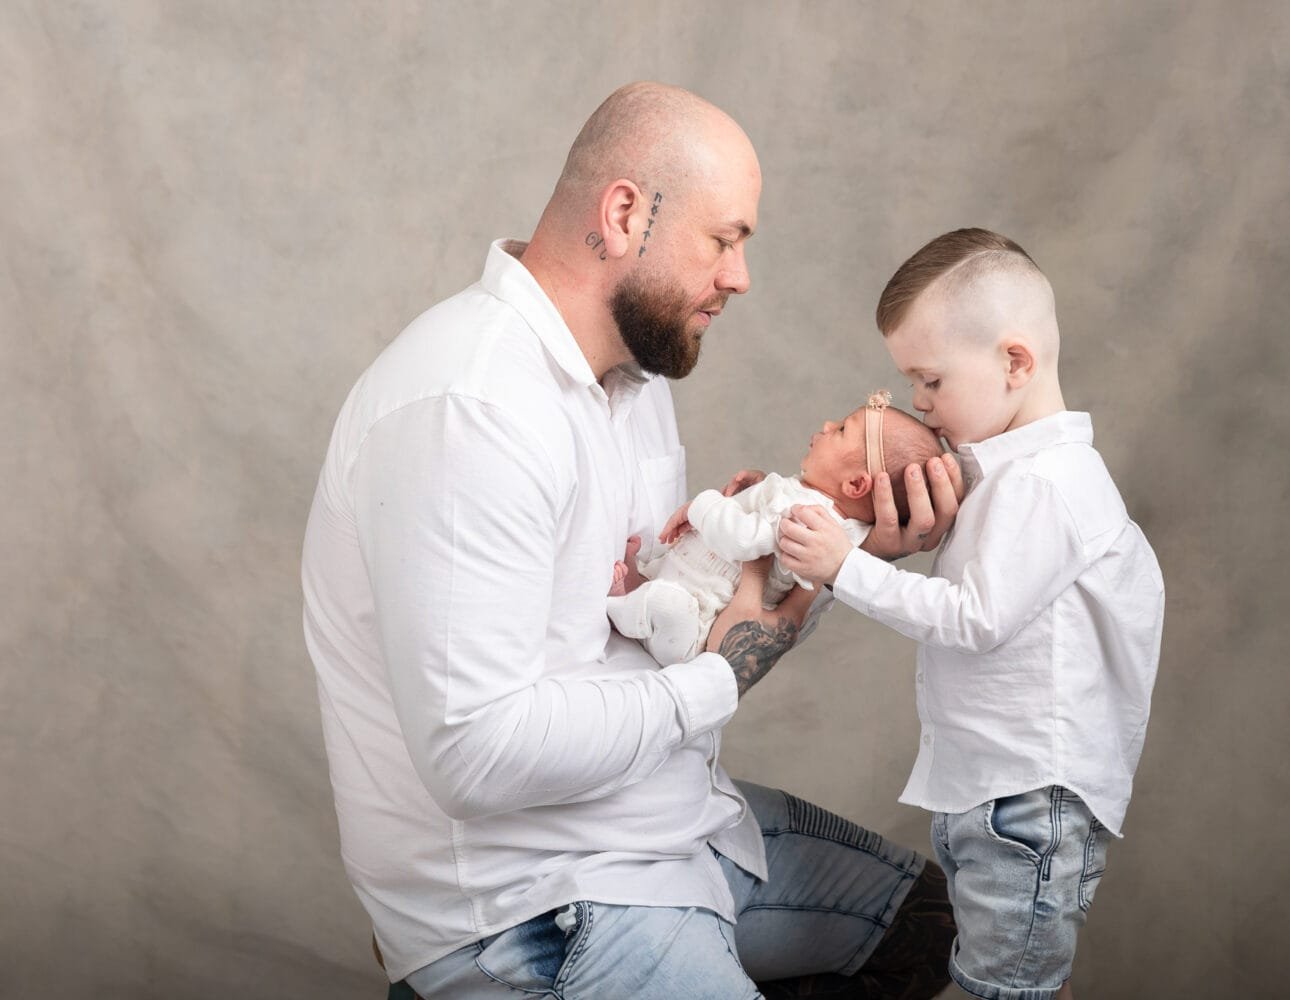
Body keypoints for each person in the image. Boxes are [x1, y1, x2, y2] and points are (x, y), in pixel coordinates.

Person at [300, 82, 963, 999]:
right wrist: (724, 676)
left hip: (668, 828)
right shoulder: (472, 410)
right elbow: (479, 754)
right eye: (724, 239)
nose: (740, 277)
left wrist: (848, 559)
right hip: (536, 904)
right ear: (622, 214)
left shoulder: (635, 381)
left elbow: (702, 625)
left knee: (939, 931)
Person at [780, 228, 1165, 999]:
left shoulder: (1049, 485)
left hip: (1028, 797)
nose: (920, 405)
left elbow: (974, 619)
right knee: (989, 981)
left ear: (1015, 362)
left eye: (929, 381)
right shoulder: (1005, 479)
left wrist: (843, 568)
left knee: (1002, 989)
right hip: (988, 790)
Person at [608, 394, 942, 665]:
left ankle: (618, 608)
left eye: (841, 430)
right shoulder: (838, 524)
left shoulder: (808, 519)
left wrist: (702, 505)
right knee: (660, 577)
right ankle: (637, 590)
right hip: (693, 586)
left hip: (692, 625)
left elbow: (743, 540)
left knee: (669, 605)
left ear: (856, 483)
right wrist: (761, 489)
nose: (827, 424)